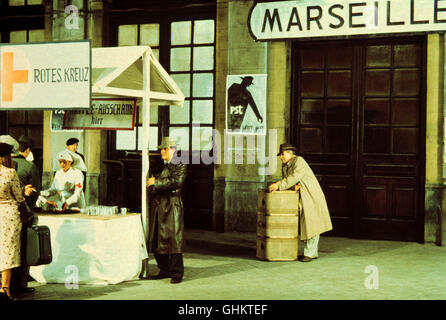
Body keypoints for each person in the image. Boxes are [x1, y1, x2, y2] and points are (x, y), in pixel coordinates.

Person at [268, 143, 333, 262]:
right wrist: (291, 188)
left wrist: (278, 185)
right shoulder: (285, 166)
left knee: (312, 224)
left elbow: (294, 177)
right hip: (302, 197)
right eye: (280, 155)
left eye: (282, 154)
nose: (281, 157)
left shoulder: (299, 161)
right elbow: (291, 182)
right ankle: (307, 251)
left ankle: (311, 253)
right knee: (306, 224)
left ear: (290, 153)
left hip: (311, 196)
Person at [146, 137, 187, 284]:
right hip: (159, 205)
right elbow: (151, 183)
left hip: (172, 205)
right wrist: (155, 184)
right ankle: (164, 269)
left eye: (165, 148)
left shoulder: (180, 164)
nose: (162, 151)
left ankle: (176, 273)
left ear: (173, 150)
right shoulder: (159, 165)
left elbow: (177, 181)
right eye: (161, 148)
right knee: (157, 240)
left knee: (174, 241)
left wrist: (157, 183)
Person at [10, 136, 40, 295]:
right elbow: (35, 192)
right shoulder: (29, 166)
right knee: (23, 248)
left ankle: (6, 283)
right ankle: (20, 284)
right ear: (27, 150)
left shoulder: (5, 168)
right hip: (23, 212)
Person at [0, 142, 28, 300]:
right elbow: (18, 196)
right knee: (7, 251)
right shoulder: (10, 173)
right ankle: (5, 288)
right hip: (8, 214)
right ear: (5, 157)